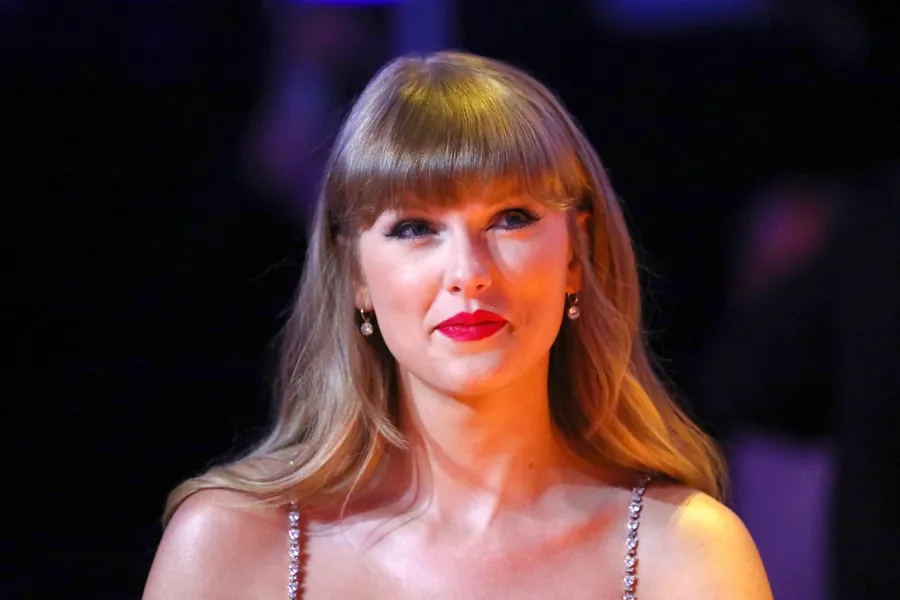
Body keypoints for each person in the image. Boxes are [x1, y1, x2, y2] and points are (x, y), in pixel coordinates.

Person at [143, 51, 772, 599]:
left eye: (511, 218)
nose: (468, 274)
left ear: (576, 255)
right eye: (415, 228)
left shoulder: (684, 552)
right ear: (355, 273)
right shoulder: (230, 545)